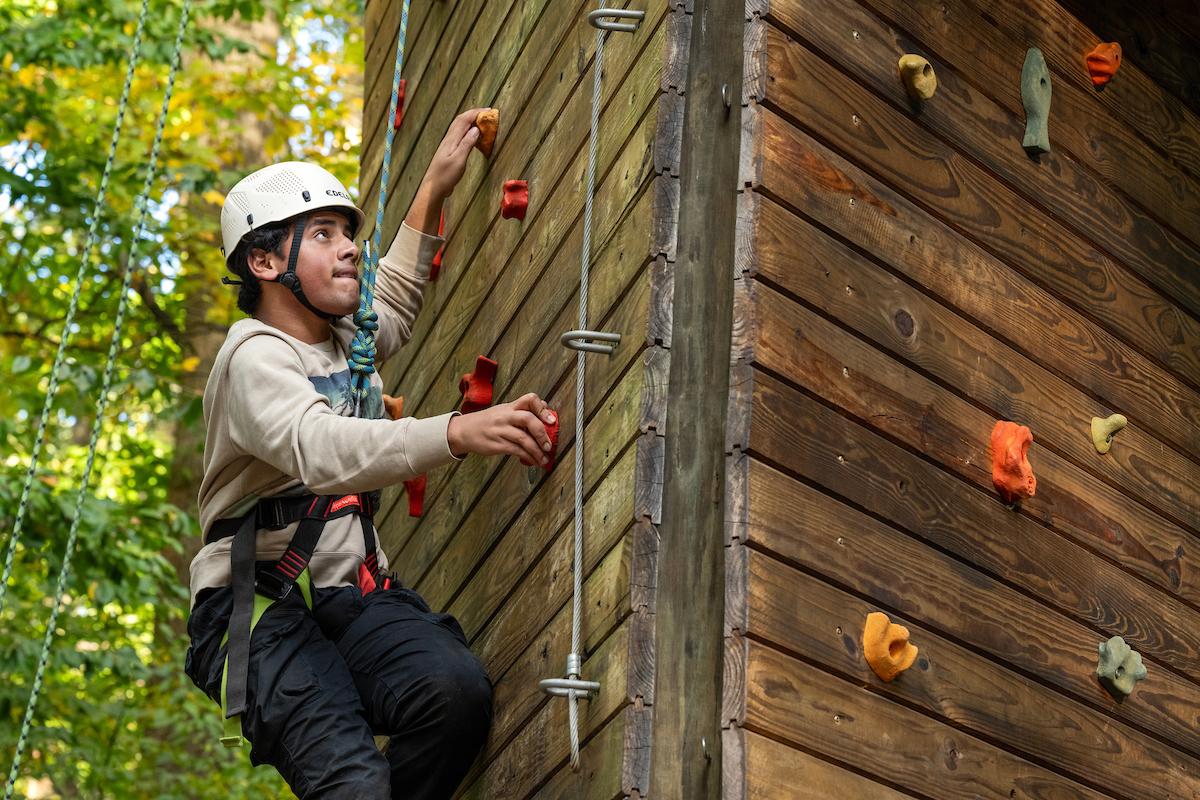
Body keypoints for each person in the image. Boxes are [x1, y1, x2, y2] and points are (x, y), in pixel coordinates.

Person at [184, 109, 558, 799]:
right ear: (266, 263)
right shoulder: (253, 357)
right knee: (352, 782)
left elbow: (393, 305)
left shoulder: (340, 330)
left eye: (349, 234)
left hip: (345, 597)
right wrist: (453, 433)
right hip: (258, 610)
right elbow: (322, 450)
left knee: (453, 697)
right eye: (323, 235)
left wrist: (433, 188)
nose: (349, 248)